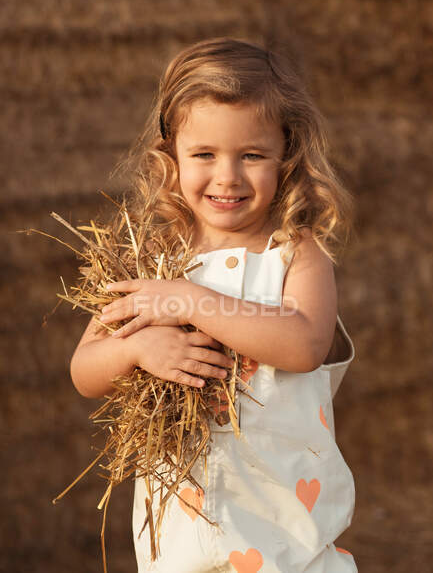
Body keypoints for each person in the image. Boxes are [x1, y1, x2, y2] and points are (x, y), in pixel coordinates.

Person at [70, 37, 357, 572]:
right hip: (181, 540)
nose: (227, 176)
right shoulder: (152, 257)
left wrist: (189, 299)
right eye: (204, 155)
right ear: (170, 157)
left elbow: (303, 345)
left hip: (289, 542)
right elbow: (85, 370)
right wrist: (139, 345)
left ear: (286, 157)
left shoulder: (295, 253)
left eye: (252, 155)